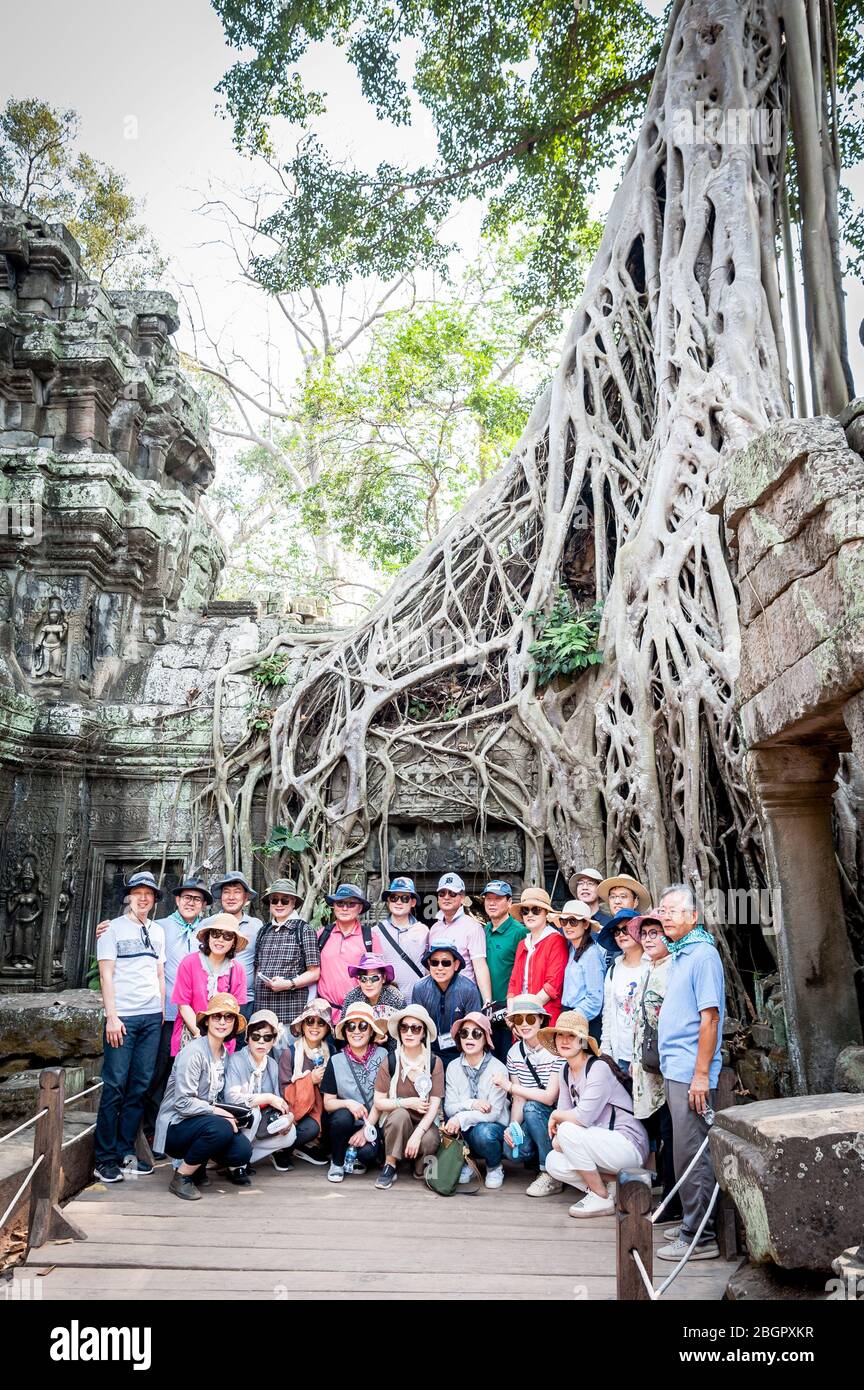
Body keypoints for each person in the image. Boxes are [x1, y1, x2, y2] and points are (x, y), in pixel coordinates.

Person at [656, 884, 725, 1262]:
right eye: (662, 910)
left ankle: (700, 1236)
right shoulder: (681, 954)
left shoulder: (703, 955)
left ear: (693, 917)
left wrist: (701, 1075)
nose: (664, 916)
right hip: (676, 1067)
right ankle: (690, 1223)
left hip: (690, 1071)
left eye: (672, 911)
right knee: (682, 1151)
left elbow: (709, 1019)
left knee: (693, 1153)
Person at [93, 872, 166, 1184]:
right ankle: (104, 1158)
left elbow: (159, 972)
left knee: (139, 1086)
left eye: (148, 893)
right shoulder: (112, 929)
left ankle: (125, 1151)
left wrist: (161, 1010)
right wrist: (112, 1016)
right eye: (137, 893)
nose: (143, 898)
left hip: (151, 1018)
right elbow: (106, 975)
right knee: (115, 1086)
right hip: (123, 1018)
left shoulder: (157, 931)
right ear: (129, 896)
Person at [541, 1010, 649, 1217]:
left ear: (582, 1041)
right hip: (597, 1143)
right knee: (553, 1161)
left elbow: (581, 1118)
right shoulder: (564, 1071)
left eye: (571, 1035)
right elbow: (565, 1125)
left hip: (626, 1145)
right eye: (560, 1035)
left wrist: (555, 1117)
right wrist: (561, 1126)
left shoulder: (597, 1067)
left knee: (567, 1133)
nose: (564, 1040)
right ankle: (613, 1187)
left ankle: (600, 1197)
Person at [154, 992, 253, 1200]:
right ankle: (182, 1176)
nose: (223, 1022)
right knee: (221, 1127)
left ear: (234, 1024)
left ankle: (198, 1166)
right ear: (207, 1021)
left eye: (229, 1017)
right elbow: (182, 1103)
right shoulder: (194, 1053)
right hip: (176, 1125)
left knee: (242, 1151)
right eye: (217, 1016)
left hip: (201, 1123)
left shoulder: (225, 1054)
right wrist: (220, 1113)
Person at [630, 910, 681, 1223]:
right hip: (647, 1062)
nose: (649, 939)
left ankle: (674, 1201)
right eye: (645, 934)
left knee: (671, 1131)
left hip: (668, 1062)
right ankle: (667, 1193)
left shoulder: (674, 968)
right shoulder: (649, 967)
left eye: (655, 933)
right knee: (661, 1130)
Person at [493, 994, 563, 1197]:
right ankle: (541, 1157)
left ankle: (551, 1173)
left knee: (532, 1108)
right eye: (518, 1019)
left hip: (555, 1115)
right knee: (511, 1149)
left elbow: (550, 1097)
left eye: (531, 1018)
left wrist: (511, 1088)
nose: (524, 1024)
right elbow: (519, 1099)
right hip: (532, 1113)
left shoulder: (555, 1050)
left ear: (541, 1019)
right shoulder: (514, 1052)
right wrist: (513, 1127)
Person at [373, 1004, 444, 1189]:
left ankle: (420, 1166)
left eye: (416, 1028)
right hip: (397, 1125)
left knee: (429, 1140)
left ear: (423, 1033)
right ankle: (390, 1165)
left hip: (424, 1125)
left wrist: (417, 1135)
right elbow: (379, 1101)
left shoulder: (434, 1062)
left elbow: (435, 1105)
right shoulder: (391, 1060)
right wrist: (407, 1102)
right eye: (404, 1027)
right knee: (400, 1114)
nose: (409, 1032)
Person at [320, 1002, 388, 1182]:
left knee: (367, 1154)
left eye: (363, 1026)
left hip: (373, 1122)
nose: (356, 1031)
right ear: (345, 1031)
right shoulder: (336, 1060)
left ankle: (357, 1154)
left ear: (371, 1031)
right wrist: (348, 1103)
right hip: (345, 1123)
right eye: (351, 1026)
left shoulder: (384, 1056)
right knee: (341, 1116)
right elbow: (328, 1103)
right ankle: (337, 1162)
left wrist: (365, 1130)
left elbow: (384, 1099)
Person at [224, 1009, 296, 1176]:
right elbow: (231, 1098)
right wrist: (267, 1097)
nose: (261, 1042)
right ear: (248, 1039)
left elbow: (278, 1101)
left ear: (273, 1040)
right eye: (256, 1036)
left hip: (258, 1126)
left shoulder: (271, 1064)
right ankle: (236, 1165)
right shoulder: (236, 1059)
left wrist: (287, 1116)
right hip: (234, 1123)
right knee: (253, 1112)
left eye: (267, 1037)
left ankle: (240, 1159)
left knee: (290, 1134)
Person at [443, 1011, 510, 1188]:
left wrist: (462, 1116)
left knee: (483, 1133)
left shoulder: (498, 1069)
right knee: (448, 1125)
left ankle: (494, 1166)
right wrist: (471, 1104)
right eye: (464, 1033)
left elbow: (494, 1114)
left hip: (493, 1127)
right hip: (464, 1127)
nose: (469, 1038)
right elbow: (449, 1108)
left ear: (485, 1038)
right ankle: (467, 1162)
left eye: (476, 1033)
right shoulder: (453, 1067)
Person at [170, 914, 248, 1056]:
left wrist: (217, 1038)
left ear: (234, 942)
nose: (220, 940)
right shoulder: (190, 962)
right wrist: (202, 1036)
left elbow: (235, 1008)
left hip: (223, 1037)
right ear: (208, 936)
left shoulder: (237, 970)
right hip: (191, 1034)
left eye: (227, 936)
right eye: (216, 934)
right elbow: (183, 1004)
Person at [202, 872, 263, 1035]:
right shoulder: (208, 924)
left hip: (245, 1001)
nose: (231, 897)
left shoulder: (256, 926)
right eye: (226, 891)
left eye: (237, 891)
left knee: (238, 1051)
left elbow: (259, 963)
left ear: (245, 897)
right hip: (212, 999)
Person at [253, 879, 321, 1026]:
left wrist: (288, 984)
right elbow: (257, 968)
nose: (279, 904)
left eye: (284, 901)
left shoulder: (303, 930)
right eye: (275, 900)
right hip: (262, 1011)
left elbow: (314, 973)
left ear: (293, 903)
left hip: (291, 1012)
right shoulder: (264, 931)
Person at [277, 1000, 334, 1167]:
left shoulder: (331, 1051)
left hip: (324, 1107)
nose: (314, 1027)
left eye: (321, 1022)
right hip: (297, 1112)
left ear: (327, 1028)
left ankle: (306, 1147)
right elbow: (284, 1091)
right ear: (302, 1025)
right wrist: (310, 1080)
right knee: (311, 1128)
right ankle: (282, 1150)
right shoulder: (290, 1053)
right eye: (310, 1021)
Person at [316, 883, 383, 1021]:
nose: (345, 908)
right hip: (325, 1014)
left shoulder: (370, 938)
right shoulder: (322, 935)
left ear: (360, 908)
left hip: (358, 1014)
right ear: (334, 906)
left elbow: (378, 978)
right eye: (340, 903)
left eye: (351, 904)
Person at [409, 940, 482, 1059]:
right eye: (434, 962)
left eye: (446, 963)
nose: (439, 968)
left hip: (461, 1053)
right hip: (428, 1053)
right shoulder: (420, 988)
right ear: (429, 963)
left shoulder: (468, 989)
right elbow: (417, 1026)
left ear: (456, 964)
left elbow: (475, 1028)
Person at [506, 887, 569, 1022]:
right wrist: (512, 1015)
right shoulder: (522, 944)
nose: (530, 914)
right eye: (525, 910)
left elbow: (552, 986)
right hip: (520, 1017)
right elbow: (513, 983)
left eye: (536, 910)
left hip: (545, 1015)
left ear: (546, 913)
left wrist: (528, 1013)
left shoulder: (556, 940)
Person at [481, 880, 527, 1060]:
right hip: (486, 1014)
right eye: (488, 898)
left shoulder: (520, 932)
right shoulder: (484, 929)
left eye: (498, 899)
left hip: (507, 1016)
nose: (492, 903)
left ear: (509, 903)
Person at [432, 873, 493, 1004]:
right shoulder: (434, 929)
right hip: (437, 998)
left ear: (462, 897)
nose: (446, 897)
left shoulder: (472, 926)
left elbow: (480, 966)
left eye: (452, 893)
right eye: (442, 893)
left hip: (463, 997)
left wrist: (487, 1002)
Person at [599, 915, 647, 1071]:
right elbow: (608, 1012)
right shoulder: (614, 969)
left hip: (646, 1055)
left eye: (626, 929)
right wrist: (606, 1050)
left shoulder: (651, 967)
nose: (621, 934)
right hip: (619, 1054)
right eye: (616, 931)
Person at [559, 899, 607, 1041]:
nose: (567, 926)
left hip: (584, 1021)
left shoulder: (591, 954)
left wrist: (572, 1018)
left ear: (585, 924)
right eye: (564, 921)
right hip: (571, 1015)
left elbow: (595, 999)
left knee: (584, 1060)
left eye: (573, 921)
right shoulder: (572, 949)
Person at [375, 877, 429, 994]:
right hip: (387, 999)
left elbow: (429, 967)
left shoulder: (423, 931)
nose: (399, 902)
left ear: (413, 902)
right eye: (394, 898)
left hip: (417, 998)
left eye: (405, 898)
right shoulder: (376, 932)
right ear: (388, 901)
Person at [595, 874, 651, 967]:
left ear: (636, 901)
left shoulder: (647, 932)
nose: (617, 901)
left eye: (623, 896)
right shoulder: (607, 932)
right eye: (613, 897)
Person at [341, 953, 406, 1021]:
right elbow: (343, 1027)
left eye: (374, 978)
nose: (368, 984)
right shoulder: (351, 998)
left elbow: (403, 1027)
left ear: (383, 978)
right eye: (363, 978)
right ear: (359, 980)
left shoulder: (395, 997)